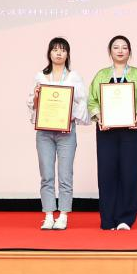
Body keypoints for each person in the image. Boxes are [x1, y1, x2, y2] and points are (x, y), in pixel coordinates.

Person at [87, 35, 137, 231]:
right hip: (106, 131)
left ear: (129, 51)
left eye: (124, 47)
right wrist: (99, 117)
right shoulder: (101, 75)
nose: (120, 50)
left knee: (129, 173)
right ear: (110, 52)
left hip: (131, 131)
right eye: (116, 47)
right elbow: (92, 100)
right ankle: (107, 219)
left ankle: (126, 218)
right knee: (106, 174)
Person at [28, 37, 87, 231]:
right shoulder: (40, 77)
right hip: (44, 133)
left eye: (62, 50)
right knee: (46, 175)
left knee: (65, 175)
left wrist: (69, 116)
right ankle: (48, 215)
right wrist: (37, 97)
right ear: (49, 53)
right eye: (55, 49)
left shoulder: (73, 77)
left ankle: (63, 215)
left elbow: (82, 102)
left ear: (68, 54)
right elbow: (33, 104)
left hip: (66, 132)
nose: (59, 53)